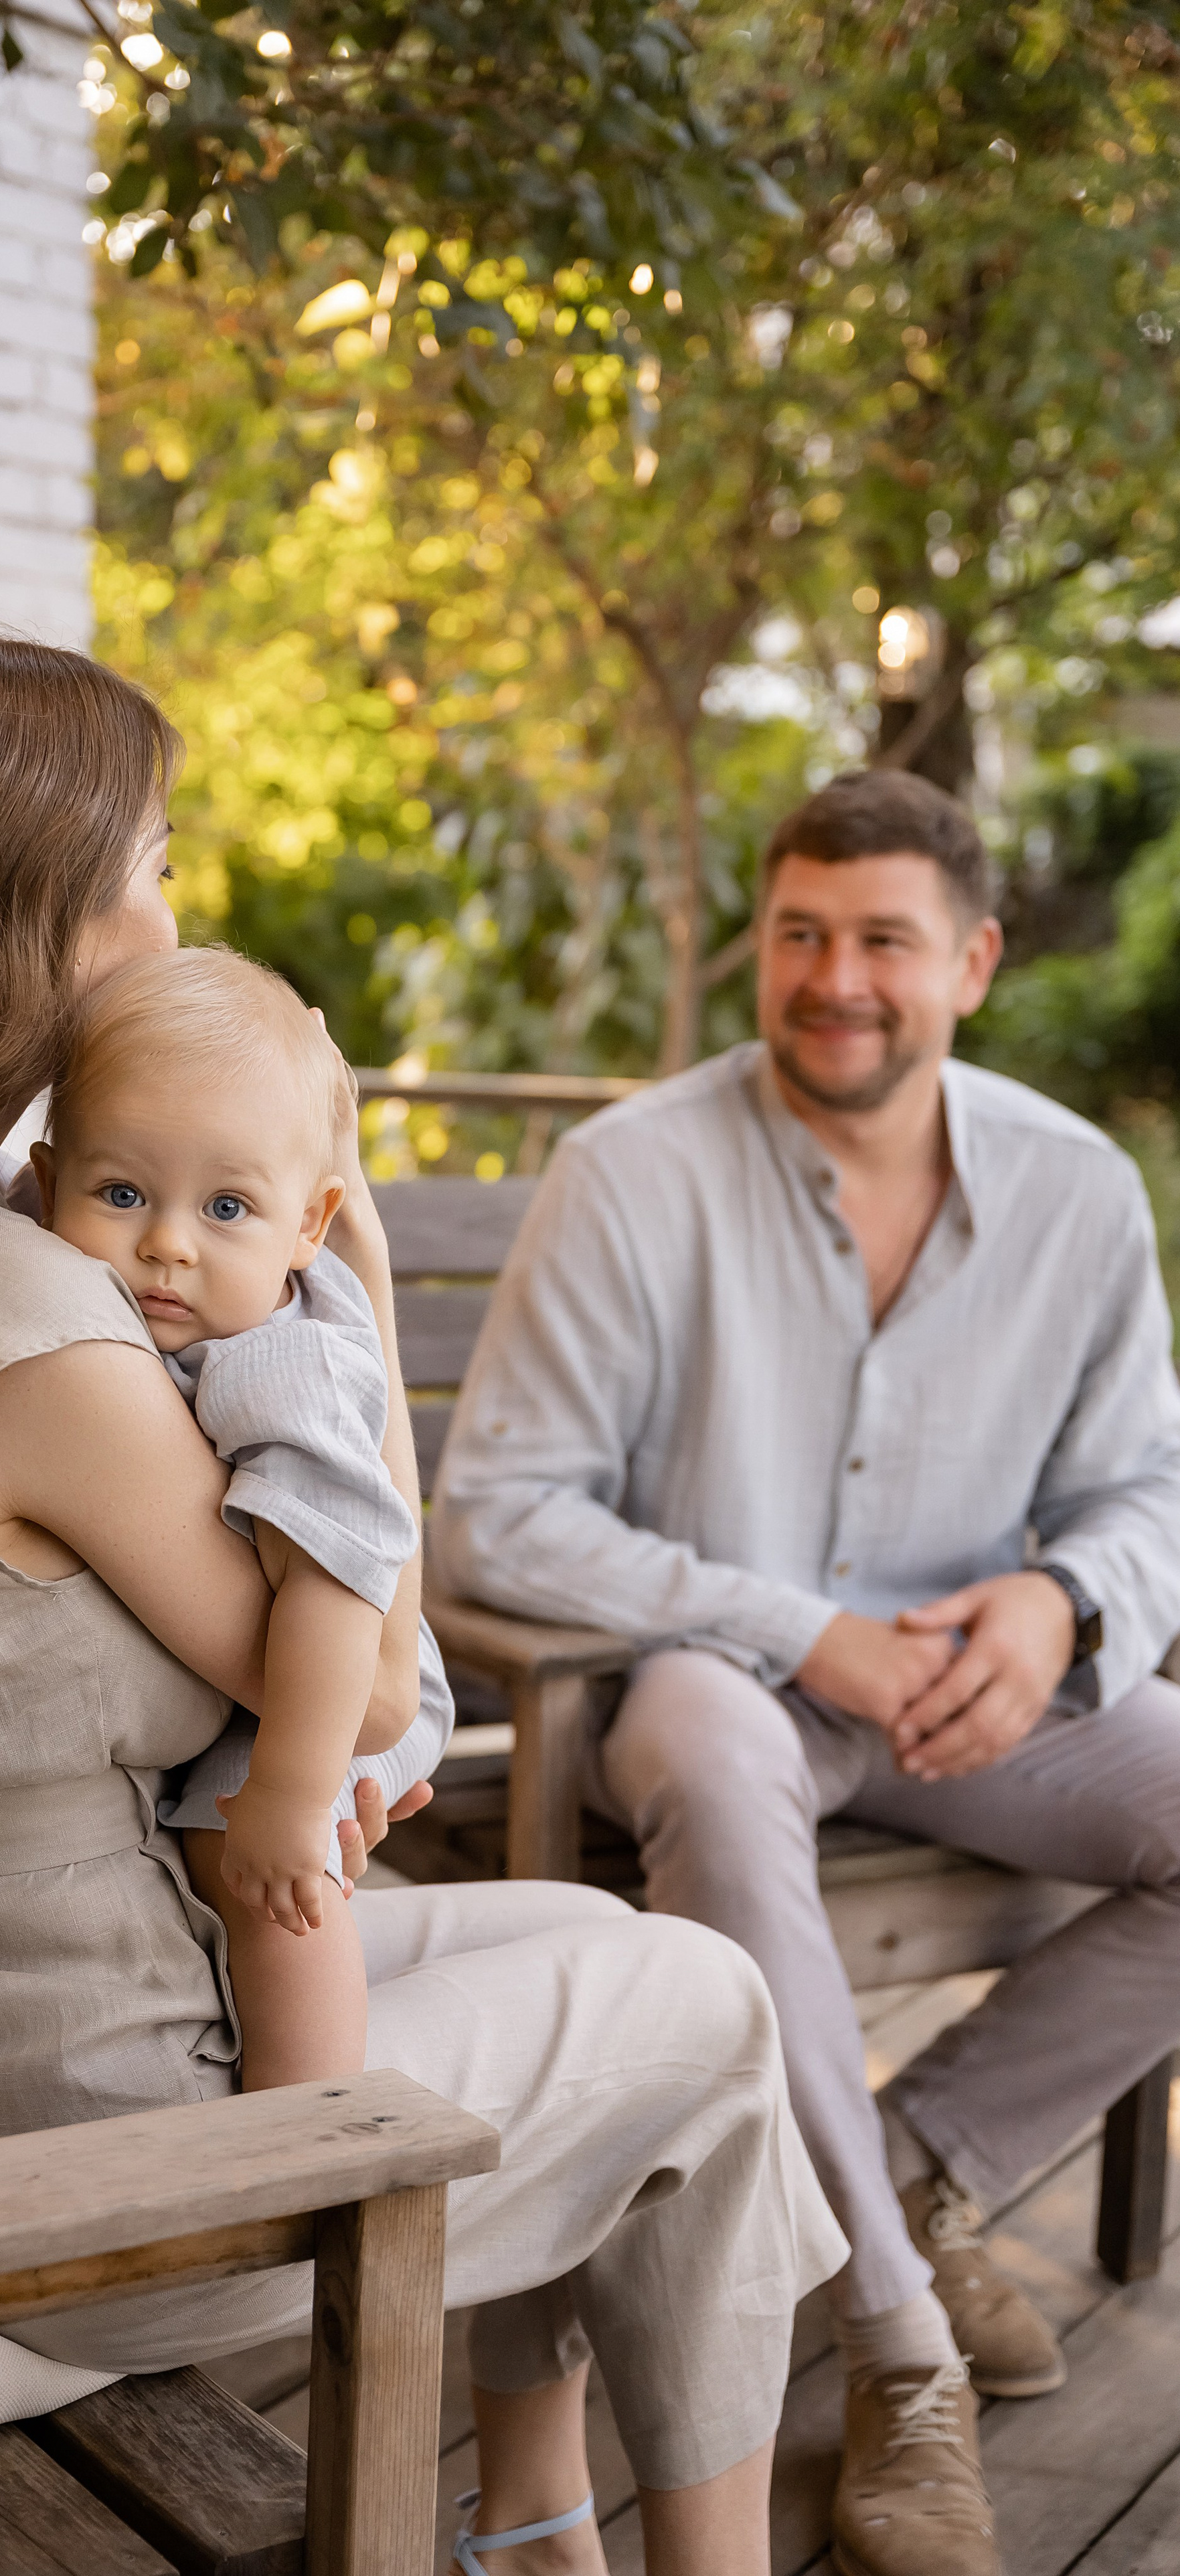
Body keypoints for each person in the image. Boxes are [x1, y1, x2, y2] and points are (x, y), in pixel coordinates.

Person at [0, 629, 845, 2576]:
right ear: (31, 915)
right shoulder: (20, 1327)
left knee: (585, 1941)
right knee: (707, 2011)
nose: (172, 906)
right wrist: (349, 1273)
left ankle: (534, 2522)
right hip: (76, 2154)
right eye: (151, 858)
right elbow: (372, 1646)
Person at [432, 767, 1180, 2576]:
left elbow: (1146, 1490)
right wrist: (799, 1630)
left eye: (884, 941)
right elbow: (499, 1515)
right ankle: (903, 2353)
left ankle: (913, 2171)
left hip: (971, 1698)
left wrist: (1061, 1610)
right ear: (762, 942)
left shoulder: (1079, 1192)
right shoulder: (633, 1173)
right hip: (718, 1682)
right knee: (703, 1738)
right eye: (799, 933)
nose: (835, 977)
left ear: (976, 961)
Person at [33, 941, 455, 2089]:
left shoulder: (280, 1361)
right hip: (295, 1661)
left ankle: (305, 2116)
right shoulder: (99, 1315)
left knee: (273, 1878)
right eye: (121, 1194)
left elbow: (337, 1575)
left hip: (340, 1663)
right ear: (43, 1181)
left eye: (228, 1207)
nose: (169, 1242)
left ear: (309, 1226)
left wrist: (291, 1789)